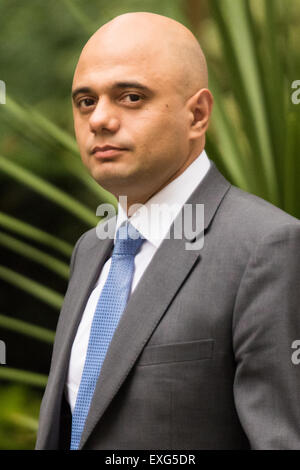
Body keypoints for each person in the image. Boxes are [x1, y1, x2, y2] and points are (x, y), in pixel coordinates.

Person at [36, 12, 300, 450]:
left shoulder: (268, 247)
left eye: (131, 96)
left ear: (197, 114)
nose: (99, 119)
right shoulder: (92, 249)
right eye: (85, 101)